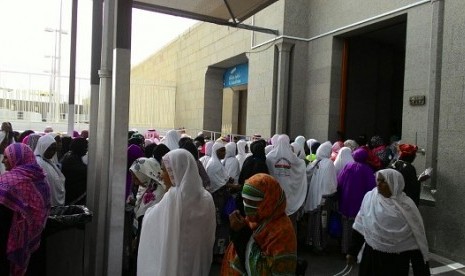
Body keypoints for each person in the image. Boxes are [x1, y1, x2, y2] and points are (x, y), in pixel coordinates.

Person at [137, 149, 215, 275]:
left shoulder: (173, 198)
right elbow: (208, 237)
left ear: (177, 171)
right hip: (196, 265)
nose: (161, 174)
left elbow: (150, 221)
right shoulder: (207, 198)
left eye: (164, 169)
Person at [347, 169, 430, 276]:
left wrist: (421, 271)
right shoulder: (370, 198)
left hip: (395, 263)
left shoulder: (407, 207)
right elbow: (360, 226)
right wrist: (352, 252)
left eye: (383, 181)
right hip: (371, 258)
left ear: (395, 184)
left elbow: (417, 239)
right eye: (378, 180)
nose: (379, 184)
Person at [221, 173, 297, 275]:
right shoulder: (256, 219)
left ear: (267, 202)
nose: (246, 207)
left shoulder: (282, 232)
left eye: (251, 203)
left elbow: (264, 270)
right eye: (244, 201)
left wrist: (240, 233)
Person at [0, 143, 51, 275]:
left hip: (10, 241)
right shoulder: (42, 179)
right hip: (36, 240)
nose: (3, 161)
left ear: (17, 158)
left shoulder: (8, 182)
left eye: (6, 157)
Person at [337, 148, 376, 254]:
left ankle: (344, 250)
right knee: (358, 229)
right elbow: (372, 188)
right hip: (360, 204)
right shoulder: (367, 170)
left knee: (345, 227)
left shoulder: (347, 166)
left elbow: (339, 182)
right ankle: (355, 252)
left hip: (345, 202)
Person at [266, 134, 307, 232]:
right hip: (289, 193)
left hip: (275, 194)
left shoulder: (270, 157)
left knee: (275, 222)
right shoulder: (293, 158)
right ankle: (291, 244)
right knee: (291, 223)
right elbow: (301, 165)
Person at [304, 141, 337, 251]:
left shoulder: (316, 162)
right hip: (324, 198)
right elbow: (330, 183)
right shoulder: (328, 163)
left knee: (314, 220)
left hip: (315, 197)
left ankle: (311, 241)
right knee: (323, 222)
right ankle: (320, 245)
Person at [34, 134, 66, 206]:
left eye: (54, 149)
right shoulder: (38, 163)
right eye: (50, 149)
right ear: (43, 147)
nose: (52, 152)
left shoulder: (49, 162)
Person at [61, 138, 88, 205]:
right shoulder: (71, 159)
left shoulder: (72, 156)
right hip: (73, 194)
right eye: (85, 147)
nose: (86, 149)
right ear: (79, 147)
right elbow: (83, 171)